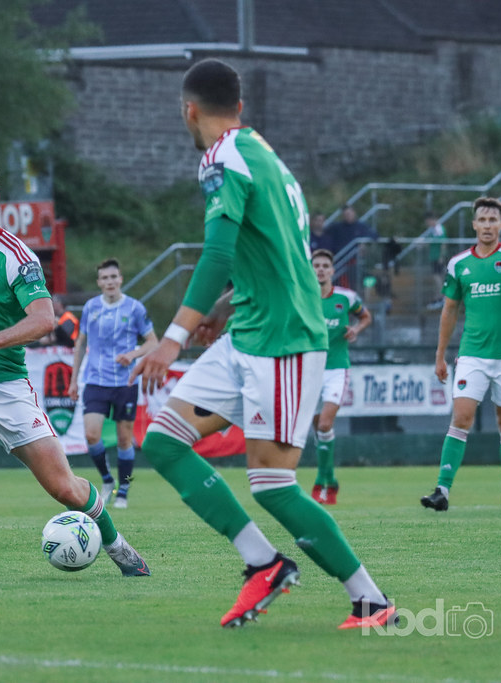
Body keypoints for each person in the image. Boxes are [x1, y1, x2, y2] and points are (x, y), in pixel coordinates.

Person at [130, 58, 394, 630]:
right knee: (166, 440)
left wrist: (172, 340)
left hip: (284, 341)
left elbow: (220, 253)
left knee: (272, 484)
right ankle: (263, 563)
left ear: (189, 110)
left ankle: (370, 598)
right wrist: (223, 308)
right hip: (247, 329)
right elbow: (275, 251)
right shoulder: (264, 155)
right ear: (241, 107)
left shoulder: (220, 159)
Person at [0, 154, 149, 580]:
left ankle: (116, 545)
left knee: (64, 487)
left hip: (5, 380)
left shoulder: (15, 257)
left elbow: (44, 319)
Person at [421, 196, 501, 512]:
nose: (487, 225)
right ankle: (441, 491)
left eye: (493, 220)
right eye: (482, 220)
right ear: (474, 225)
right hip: (472, 355)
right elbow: (449, 310)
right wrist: (440, 354)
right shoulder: (459, 264)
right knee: (461, 417)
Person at [68, 257, 157, 509]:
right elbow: (80, 343)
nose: (109, 282)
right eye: (104, 278)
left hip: (125, 382)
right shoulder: (90, 307)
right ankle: (108, 480)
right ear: (99, 282)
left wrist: (133, 354)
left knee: (124, 439)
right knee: (91, 434)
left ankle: (124, 490)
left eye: (113, 277)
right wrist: (74, 380)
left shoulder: (135, 308)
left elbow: (153, 342)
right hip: (95, 380)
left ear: (120, 279)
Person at [309, 249, 372, 505]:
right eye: (317, 265)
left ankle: (320, 483)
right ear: (311, 269)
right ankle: (330, 478)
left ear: (333, 271)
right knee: (317, 428)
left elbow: (366, 316)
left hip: (336, 368)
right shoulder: (303, 297)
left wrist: (356, 329)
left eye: (325, 265)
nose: (321, 269)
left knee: (325, 424)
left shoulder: (346, 298)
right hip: (309, 370)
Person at [424, 212, 447, 310]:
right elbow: (428, 241)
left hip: (438, 257)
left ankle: (442, 297)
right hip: (434, 256)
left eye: (428, 221)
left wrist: (441, 256)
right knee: (436, 276)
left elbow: (443, 243)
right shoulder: (432, 230)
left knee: (437, 276)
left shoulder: (438, 229)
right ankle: (438, 297)